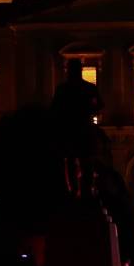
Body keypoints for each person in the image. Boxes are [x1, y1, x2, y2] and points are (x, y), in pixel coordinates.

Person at [52, 59, 104, 198]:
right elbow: (100, 106)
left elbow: (54, 110)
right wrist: (90, 110)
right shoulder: (89, 88)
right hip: (83, 129)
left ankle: (74, 191)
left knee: (71, 161)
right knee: (84, 160)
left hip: (70, 130)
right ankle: (84, 191)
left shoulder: (62, 89)